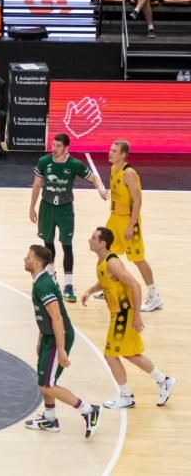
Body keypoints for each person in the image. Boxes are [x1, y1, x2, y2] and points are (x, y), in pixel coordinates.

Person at [81, 227, 176, 409]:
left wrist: (137, 316)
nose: (89, 240)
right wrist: (90, 291)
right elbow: (105, 281)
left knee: (110, 354)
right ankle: (164, 380)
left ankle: (126, 396)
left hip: (124, 313)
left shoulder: (112, 262)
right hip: (119, 312)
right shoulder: (102, 261)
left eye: (93, 238)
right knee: (130, 353)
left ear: (102, 244)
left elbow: (135, 284)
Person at [22, 244, 101, 438]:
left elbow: (57, 317)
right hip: (50, 336)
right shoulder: (41, 281)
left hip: (59, 336)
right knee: (46, 380)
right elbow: (46, 317)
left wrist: (61, 348)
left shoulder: (44, 285)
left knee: (46, 385)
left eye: (29, 257)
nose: (25, 260)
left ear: (38, 263)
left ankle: (89, 410)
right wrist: (41, 337)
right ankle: (50, 419)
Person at [30, 132, 108, 303]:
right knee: (48, 244)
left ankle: (68, 285)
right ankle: (52, 277)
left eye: (58, 146)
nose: (54, 149)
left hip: (65, 210)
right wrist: (32, 208)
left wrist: (101, 190)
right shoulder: (44, 162)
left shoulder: (74, 164)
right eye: (53, 145)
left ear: (66, 148)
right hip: (47, 208)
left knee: (67, 246)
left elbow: (93, 177)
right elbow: (36, 185)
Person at [106, 140, 162, 311]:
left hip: (129, 220)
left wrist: (130, 226)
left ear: (123, 155)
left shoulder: (129, 173)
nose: (110, 152)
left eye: (114, 151)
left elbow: (138, 201)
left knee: (137, 259)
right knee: (109, 252)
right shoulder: (113, 168)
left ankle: (154, 296)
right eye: (110, 149)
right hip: (115, 217)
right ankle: (112, 286)